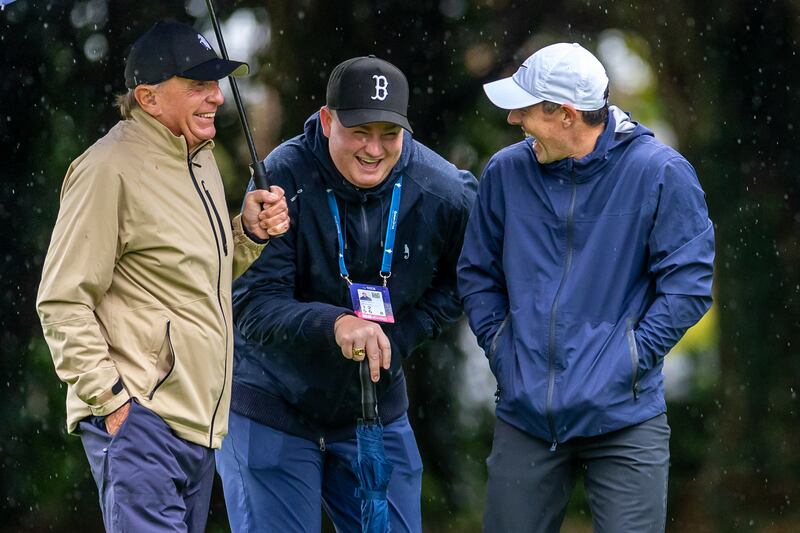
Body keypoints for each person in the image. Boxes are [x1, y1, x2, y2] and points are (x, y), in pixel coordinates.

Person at [35, 20, 289, 532]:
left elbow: (194, 277)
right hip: (143, 422)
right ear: (148, 97)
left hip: (197, 427)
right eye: (197, 85)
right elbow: (61, 302)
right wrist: (114, 405)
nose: (216, 97)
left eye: (215, 84)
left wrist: (247, 234)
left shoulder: (200, 161)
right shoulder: (107, 168)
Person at [457, 42, 715, 532]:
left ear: (567, 115)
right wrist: (502, 348)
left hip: (624, 419)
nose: (514, 120)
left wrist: (629, 360)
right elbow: (478, 274)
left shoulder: (659, 173)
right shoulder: (506, 173)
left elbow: (688, 286)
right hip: (525, 414)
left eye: (527, 109)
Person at [215, 55, 477, 532]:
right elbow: (251, 305)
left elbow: (468, 276)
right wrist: (335, 323)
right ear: (327, 119)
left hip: (372, 412)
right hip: (272, 404)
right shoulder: (282, 178)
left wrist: (404, 335)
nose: (374, 149)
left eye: (389, 134)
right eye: (360, 131)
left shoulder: (445, 192)